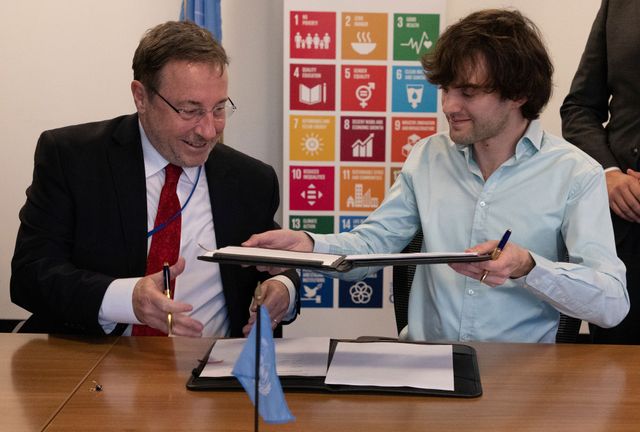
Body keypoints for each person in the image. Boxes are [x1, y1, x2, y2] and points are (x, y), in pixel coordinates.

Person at [244, 9, 629, 343]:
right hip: (425, 368)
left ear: (518, 94)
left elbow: (611, 303)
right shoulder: (428, 156)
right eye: (445, 89)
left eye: (467, 92)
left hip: (521, 378)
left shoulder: (576, 173)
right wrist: (309, 246)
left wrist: (528, 267)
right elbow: (373, 245)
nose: (448, 106)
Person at [10, 20, 299, 338]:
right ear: (141, 97)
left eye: (218, 109)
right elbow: (30, 275)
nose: (208, 130)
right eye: (189, 110)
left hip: (210, 370)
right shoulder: (73, 158)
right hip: (95, 367)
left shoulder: (251, 180)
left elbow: (274, 262)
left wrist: (283, 287)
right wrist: (124, 300)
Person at [560, 0, 640, 344]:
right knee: (616, 372)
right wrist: (606, 173)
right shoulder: (620, 5)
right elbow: (578, 108)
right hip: (624, 227)